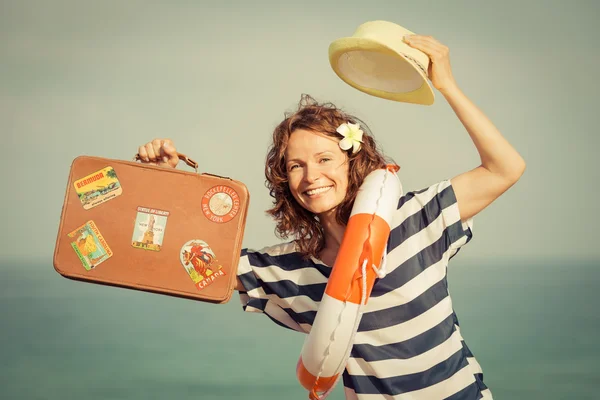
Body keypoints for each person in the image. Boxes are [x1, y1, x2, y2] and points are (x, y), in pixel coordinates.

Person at [136, 34, 525, 399]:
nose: (311, 177)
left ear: (353, 162)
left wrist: (448, 86)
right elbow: (179, 259)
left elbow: (504, 168)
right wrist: (164, 181)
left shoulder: (417, 219)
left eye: (325, 159)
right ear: (285, 180)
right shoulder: (285, 269)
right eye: (295, 166)